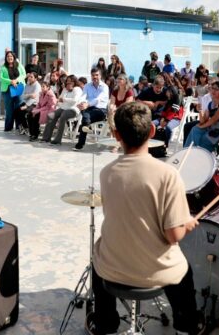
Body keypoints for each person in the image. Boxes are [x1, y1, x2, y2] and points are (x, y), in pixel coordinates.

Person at [86, 102, 199, 335]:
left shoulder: (107, 173)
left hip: (113, 268)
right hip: (155, 270)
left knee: (98, 260)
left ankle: (105, 323)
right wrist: (187, 223)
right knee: (184, 272)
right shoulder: (169, 175)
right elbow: (174, 236)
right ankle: (187, 325)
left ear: (116, 135)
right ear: (152, 132)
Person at [184, 81, 219, 151]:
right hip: (212, 128)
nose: (213, 91)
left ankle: (198, 154)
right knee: (195, 130)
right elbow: (203, 121)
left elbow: (214, 119)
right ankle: (188, 152)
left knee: (204, 139)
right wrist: (200, 110)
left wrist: (201, 126)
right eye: (212, 88)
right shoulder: (211, 103)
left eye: (216, 89)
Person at [42, 75, 84, 145]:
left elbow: (74, 100)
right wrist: (62, 99)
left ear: (74, 82)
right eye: (67, 81)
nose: (68, 83)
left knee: (63, 116)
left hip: (73, 109)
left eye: (70, 81)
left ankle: (57, 140)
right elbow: (60, 99)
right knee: (51, 115)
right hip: (63, 108)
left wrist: (64, 99)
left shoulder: (77, 89)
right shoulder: (65, 89)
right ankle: (46, 138)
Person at [74, 68, 109, 151]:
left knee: (85, 118)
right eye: (93, 75)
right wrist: (80, 103)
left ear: (100, 76)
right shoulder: (87, 86)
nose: (95, 77)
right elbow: (83, 96)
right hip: (89, 108)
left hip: (100, 110)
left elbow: (98, 99)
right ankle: (87, 124)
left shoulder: (104, 87)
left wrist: (87, 104)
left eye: (97, 75)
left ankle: (80, 144)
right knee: (85, 114)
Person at [0, 51, 26, 132]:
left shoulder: (19, 65)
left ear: (14, 57)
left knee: (19, 108)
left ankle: (19, 127)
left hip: (18, 88)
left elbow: (23, 75)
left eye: (11, 56)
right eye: (8, 56)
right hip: (7, 90)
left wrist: (16, 80)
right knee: (9, 109)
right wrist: (11, 81)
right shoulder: (3, 67)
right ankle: (8, 127)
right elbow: (1, 78)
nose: (9, 58)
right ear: (6, 58)